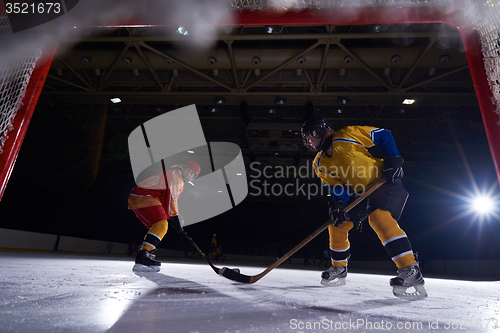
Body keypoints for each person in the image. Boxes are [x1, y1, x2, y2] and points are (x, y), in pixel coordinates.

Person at [301, 117, 427, 297]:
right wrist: (338, 205)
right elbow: (336, 187)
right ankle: (339, 268)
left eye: (308, 137)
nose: (308, 142)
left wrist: (393, 159)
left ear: (317, 130)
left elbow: (384, 135)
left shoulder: (347, 135)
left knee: (379, 218)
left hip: (383, 183)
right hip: (359, 194)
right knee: (336, 224)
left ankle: (411, 271)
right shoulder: (319, 163)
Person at [128, 160, 201, 272]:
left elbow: (169, 199)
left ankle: (144, 254)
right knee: (161, 225)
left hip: (141, 196)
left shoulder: (176, 177)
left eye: (192, 174)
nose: (189, 174)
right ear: (183, 167)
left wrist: (175, 216)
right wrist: (175, 216)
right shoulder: (176, 175)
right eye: (189, 171)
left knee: (157, 227)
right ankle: (143, 255)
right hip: (145, 196)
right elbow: (171, 197)